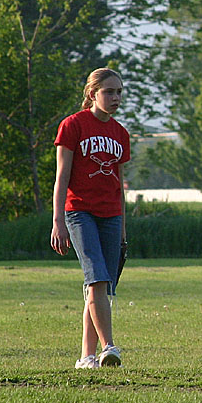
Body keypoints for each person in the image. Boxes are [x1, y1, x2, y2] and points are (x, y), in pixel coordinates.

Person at [51, 68, 130, 369]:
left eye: (119, 92)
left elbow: (119, 187)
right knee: (96, 277)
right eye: (109, 92)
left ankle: (86, 357)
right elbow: (62, 177)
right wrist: (58, 221)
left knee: (100, 286)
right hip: (79, 212)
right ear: (92, 93)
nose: (115, 98)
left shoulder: (121, 133)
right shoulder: (73, 125)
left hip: (110, 216)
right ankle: (109, 347)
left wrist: (122, 229)